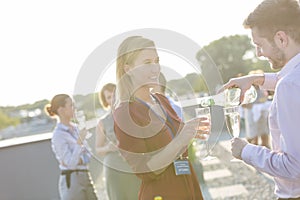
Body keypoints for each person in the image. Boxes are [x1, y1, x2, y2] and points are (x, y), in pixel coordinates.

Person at [221, 0, 300, 199]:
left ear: (281, 39)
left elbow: (294, 167)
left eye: (260, 45)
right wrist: (256, 79)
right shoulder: (290, 80)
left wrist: (245, 151)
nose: (258, 53)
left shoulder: (288, 86)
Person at [112, 36, 207, 200]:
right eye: (147, 63)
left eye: (157, 61)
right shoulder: (125, 113)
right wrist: (180, 139)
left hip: (187, 183)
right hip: (162, 193)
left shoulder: (161, 100)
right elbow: (145, 171)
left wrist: (190, 131)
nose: (155, 68)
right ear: (128, 69)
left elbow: (178, 144)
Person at [45, 94, 98, 200]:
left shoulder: (76, 128)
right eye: (71, 105)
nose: (75, 108)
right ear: (61, 110)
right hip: (72, 180)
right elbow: (71, 164)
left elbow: (89, 155)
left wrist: (79, 159)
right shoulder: (58, 135)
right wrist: (79, 143)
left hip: (86, 176)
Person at [95, 83, 141, 200]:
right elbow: (98, 149)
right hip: (113, 168)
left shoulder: (132, 114)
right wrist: (108, 148)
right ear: (105, 101)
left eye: (114, 95)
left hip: (133, 165)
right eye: (109, 97)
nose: (113, 99)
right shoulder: (103, 122)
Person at [242, 70, 270, 148]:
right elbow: (243, 104)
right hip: (251, 112)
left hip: (261, 113)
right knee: (252, 131)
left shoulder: (262, 89)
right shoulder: (248, 90)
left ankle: (265, 146)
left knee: (263, 130)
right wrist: (249, 105)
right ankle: (253, 147)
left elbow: (265, 99)